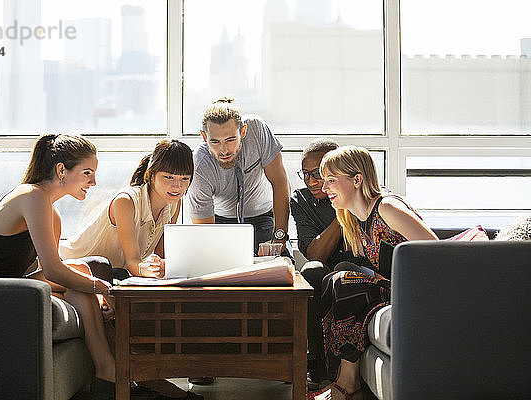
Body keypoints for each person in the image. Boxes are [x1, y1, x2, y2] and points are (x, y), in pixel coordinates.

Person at [0, 134, 119, 397]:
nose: (94, 182)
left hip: (9, 285)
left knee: (81, 277)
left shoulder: (50, 210)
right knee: (84, 279)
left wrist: (92, 287)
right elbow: (53, 270)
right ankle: (110, 373)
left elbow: (52, 269)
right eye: (87, 172)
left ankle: (107, 369)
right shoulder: (32, 196)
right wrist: (100, 288)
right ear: (61, 169)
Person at [312, 145, 438, 400]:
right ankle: (342, 380)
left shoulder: (387, 207)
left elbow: (436, 251)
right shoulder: (358, 220)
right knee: (332, 281)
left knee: (344, 283)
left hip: (420, 292)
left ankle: (347, 386)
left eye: (331, 180)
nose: (324, 188)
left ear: (357, 179)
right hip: (398, 289)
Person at [290, 138, 371, 390]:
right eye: (306, 174)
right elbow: (315, 253)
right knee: (312, 271)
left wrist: (346, 198)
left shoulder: (365, 194)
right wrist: (341, 210)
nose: (313, 181)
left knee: (343, 271)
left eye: (319, 174)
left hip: (363, 272)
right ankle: (317, 368)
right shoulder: (301, 200)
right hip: (327, 274)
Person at [60, 139, 193, 282]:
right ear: (151, 174)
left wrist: (162, 266)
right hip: (71, 266)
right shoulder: (125, 201)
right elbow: (133, 263)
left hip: (111, 275)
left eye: (184, 179)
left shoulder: (174, 203)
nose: (177, 186)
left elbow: (161, 257)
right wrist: (151, 269)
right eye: (169, 177)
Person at [187, 98, 293, 259]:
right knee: (221, 270)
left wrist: (279, 237)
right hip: (221, 223)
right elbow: (205, 234)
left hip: (264, 216)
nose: (224, 150)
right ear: (204, 137)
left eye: (230, 140)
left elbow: (280, 183)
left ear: (243, 132)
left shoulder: (257, 129)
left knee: (283, 267)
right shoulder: (200, 166)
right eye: (215, 142)